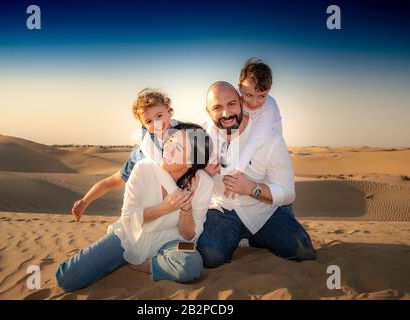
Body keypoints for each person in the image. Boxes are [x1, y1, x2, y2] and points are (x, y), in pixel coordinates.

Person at [56, 123, 214, 291]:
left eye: (179, 147)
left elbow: (189, 236)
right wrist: (164, 208)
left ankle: (147, 265)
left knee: (192, 263)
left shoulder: (203, 183)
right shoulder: (144, 168)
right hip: (131, 235)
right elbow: (128, 217)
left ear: (191, 162)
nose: (168, 149)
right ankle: (129, 256)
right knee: (67, 278)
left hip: (170, 240)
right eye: (170, 140)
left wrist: (186, 208)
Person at [198, 81, 315, 269]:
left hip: (261, 210)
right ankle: (237, 237)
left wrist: (252, 188)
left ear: (242, 103)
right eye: (217, 108)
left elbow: (287, 193)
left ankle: (257, 237)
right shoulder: (200, 138)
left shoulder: (270, 139)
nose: (226, 114)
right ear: (208, 111)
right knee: (209, 256)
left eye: (232, 104)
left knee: (304, 252)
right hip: (221, 211)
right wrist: (202, 171)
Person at [71, 88, 181, 222]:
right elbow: (110, 182)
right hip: (155, 214)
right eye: (148, 121)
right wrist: (84, 201)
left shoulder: (188, 134)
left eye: (159, 116)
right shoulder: (142, 155)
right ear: (144, 125)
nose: (156, 123)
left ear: (169, 110)